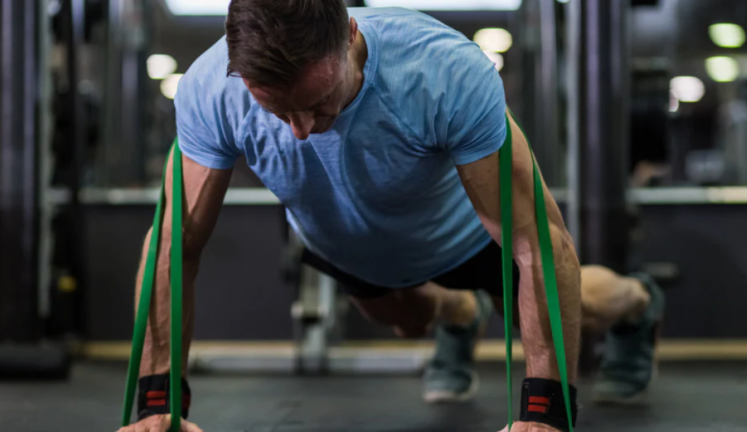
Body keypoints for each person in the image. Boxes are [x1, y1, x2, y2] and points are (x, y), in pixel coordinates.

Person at [116, 2, 663, 432]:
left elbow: (535, 242)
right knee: (405, 322)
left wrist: (545, 411)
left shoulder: (442, 70)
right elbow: (174, 242)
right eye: (278, 112)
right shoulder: (211, 88)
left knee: (585, 308)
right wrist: (156, 402)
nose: (302, 130)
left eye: (319, 101)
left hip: (465, 236)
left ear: (351, 36)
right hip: (347, 245)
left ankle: (639, 302)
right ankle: (458, 314)